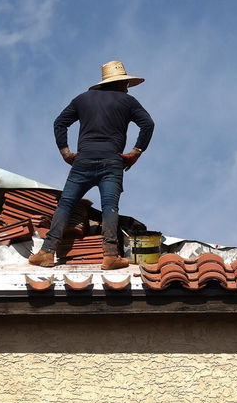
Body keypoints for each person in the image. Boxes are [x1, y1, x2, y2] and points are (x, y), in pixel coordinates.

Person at [29, 60, 155, 271]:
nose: (126, 87)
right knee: (110, 206)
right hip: (112, 161)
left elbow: (60, 122)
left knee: (66, 204)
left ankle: (47, 252)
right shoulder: (128, 101)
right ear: (121, 83)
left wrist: (66, 152)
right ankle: (110, 256)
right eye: (125, 83)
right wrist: (135, 153)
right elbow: (148, 124)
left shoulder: (82, 99)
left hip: (83, 160)